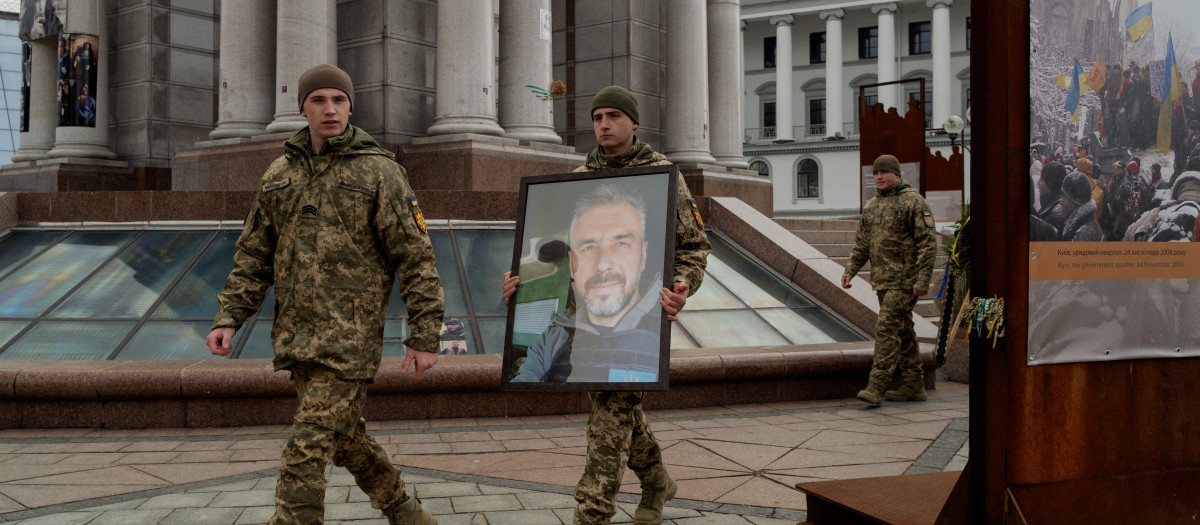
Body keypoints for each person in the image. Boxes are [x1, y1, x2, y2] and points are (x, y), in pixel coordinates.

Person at [205, 64, 444, 525]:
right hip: (297, 338)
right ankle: (406, 512)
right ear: (303, 108)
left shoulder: (380, 172)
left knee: (307, 448)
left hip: (350, 341)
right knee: (346, 436)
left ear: (351, 106)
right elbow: (255, 255)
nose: (329, 109)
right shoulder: (279, 174)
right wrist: (228, 317)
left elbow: (415, 258)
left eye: (338, 99)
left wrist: (425, 336)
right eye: (318, 100)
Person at [502, 85, 710, 525]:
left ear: (634, 123)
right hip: (584, 323)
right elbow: (566, 259)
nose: (604, 125)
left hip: (641, 318)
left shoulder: (664, 175)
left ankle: (591, 515)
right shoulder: (580, 176)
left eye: (614, 116)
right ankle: (656, 482)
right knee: (621, 411)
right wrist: (518, 288)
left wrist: (682, 284)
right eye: (597, 117)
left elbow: (694, 246)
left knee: (609, 417)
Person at [512, 183, 663, 383]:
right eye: (589, 248)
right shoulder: (555, 336)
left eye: (620, 244)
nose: (602, 265)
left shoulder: (666, 326)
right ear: (572, 265)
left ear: (642, 257)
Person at [841, 154, 937, 405]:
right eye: (875, 173)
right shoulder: (871, 205)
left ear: (896, 174)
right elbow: (862, 243)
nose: (879, 177)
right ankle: (915, 384)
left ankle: (876, 385)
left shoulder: (914, 202)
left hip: (905, 281)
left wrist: (922, 281)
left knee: (885, 328)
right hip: (882, 281)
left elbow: (927, 244)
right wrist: (850, 270)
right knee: (903, 330)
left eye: (884, 172)